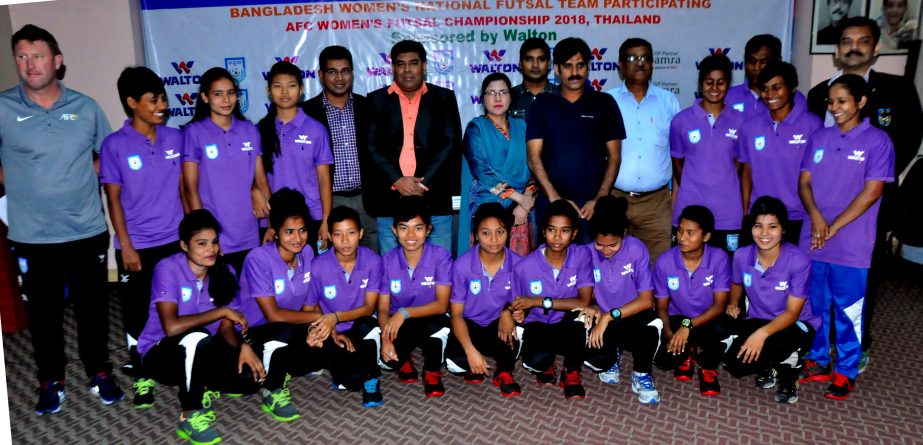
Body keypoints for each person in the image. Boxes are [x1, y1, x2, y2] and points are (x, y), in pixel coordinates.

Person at [0, 24, 124, 414]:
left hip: (86, 229)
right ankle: (50, 379)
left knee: (93, 311)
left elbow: (109, 156)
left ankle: (99, 372)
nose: (29, 64)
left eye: (37, 56)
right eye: (21, 56)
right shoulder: (3, 108)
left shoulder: (85, 107)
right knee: (44, 315)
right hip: (33, 235)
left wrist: (78, 175)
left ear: (57, 60)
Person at [806, 16, 922, 369]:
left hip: (866, 209)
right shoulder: (817, 94)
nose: (853, 47)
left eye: (862, 40)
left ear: (876, 47)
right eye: (846, 41)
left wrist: (868, 179)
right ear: (837, 49)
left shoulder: (898, 89)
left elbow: (909, 138)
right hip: (820, 210)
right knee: (818, 282)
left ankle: (856, 347)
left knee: (861, 282)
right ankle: (818, 345)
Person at [798, 74, 894, 400]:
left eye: (842, 101)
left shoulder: (878, 141)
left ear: (861, 101)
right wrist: (816, 218)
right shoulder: (819, 138)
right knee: (816, 303)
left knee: (848, 308)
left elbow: (872, 191)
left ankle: (846, 371)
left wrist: (834, 226)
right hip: (814, 237)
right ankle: (820, 359)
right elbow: (805, 182)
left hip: (852, 243)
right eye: (831, 102)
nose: (835, 108)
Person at [134, 209, 262, 444]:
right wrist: (221, 311)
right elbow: (171, 327)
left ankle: (202, 384)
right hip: (162, 355)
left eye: (214, 242)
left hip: (206, 349)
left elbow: (225, 327)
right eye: (201, 243)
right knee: (196, 337)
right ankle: (189, 414)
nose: (210, 249)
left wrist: (243, 346)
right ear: (184, 245)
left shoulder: (225, 272)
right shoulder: (167, 269)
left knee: (249, 380)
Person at [100, 66, 184, 379]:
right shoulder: (115, 145)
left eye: (163, 98)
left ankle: (177, 362)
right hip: (137, 245)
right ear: (132, 102)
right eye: (153, 100)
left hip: (175, 241)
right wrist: (126, 246)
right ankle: (142, 371)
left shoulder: (175, 137)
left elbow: (185, 190)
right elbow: (114, 199)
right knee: (138, 311)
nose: (162, 105)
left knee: (177, 305)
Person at [231, 188, 331, 421]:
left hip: (287, 324)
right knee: (249, 379)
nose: (297, 238)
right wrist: (321, 318)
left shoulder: (306, 252)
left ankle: (280, 364)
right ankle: (272, 389)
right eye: (288, 232)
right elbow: (273, 314)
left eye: (302, 230)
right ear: (274, 233)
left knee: (323, 348)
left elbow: (310, 302)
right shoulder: (258, 259)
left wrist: (322, 327)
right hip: (252, 331)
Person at [364, 40, 462, 253]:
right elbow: (370, 147)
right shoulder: (375, 101)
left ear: (424, 66)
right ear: (392, 68)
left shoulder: (444, 98)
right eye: (401, 64)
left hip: (434, 198)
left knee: (439, 268)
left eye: (413, 63)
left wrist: (421, 184)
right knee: (393, 272)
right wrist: (397, 180)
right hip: (390, 200)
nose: (407, 70)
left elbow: (450, 145)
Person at [527, 37, 624, 244]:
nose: (575, 72)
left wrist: (599, 199)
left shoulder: (605, 103)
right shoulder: (542, 105)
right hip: (551, 208)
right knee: (551, 272)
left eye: (580, 65)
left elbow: (615, 158)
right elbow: (533, 158)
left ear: (588, 67)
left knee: (592, 271)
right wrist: (556, 200)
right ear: (556, 69)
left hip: (592, 210)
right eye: (568, 66)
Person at [724, 196, 818, 404]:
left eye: (772, 227)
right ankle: (771, 362)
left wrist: (761, 334)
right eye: (758, 226)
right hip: (759, 320)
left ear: (783, 229)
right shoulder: (742, 255)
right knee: (735, 364)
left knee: (772, 343)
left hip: (796, 324)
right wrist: (733, 302)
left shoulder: (798, 261)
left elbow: (792, 313)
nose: (764, 234)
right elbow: (737, 283)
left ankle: (789, 369)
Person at [182, 67, 267, 275]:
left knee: (251, 299)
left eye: (230, 93)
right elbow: (189, 189)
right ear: (204, 97)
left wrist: (270, 223)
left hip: (249, 233)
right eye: (218, 94)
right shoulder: (194, 132)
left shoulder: (249, 130)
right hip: (216, 238)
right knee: (222, 300)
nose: (226, 99)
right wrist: (203, 238)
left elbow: (261, 179)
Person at [579, 196, 662, 405]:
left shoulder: (637, 249)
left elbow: (646, 300)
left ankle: (641, 373)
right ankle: (612, 355)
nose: (606, 251)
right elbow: (584, 297)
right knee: (595, 360)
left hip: (632, 314)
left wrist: (609, 316)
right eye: (600, 244)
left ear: (624, 233)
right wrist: (595, 309)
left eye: (613, 245)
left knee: (653, 325)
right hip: (604, 317)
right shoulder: (586, 253)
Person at [510, 199, 593, 399]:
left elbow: (583, 302)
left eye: (564, 231)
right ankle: (546, 364)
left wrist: (537, 301)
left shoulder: (582, 256)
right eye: (551, 230)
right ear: (543, 231)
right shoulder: (524, 267)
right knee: (536, 361)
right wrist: (518, 311)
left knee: (583, 318)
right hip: (538, 324)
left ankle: (571, 371)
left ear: (574, 234)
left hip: (567, 323)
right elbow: (516, 304)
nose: (557, 237)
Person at [305, 206, 385, 407]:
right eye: (338, 234)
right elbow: (310, 306)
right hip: (333, 332)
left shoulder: (373, 261)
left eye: (351, 233)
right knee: (348, 382)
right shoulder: (318, 265)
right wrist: (330, 326)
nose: (345, 240)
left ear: (360, 233)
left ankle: (371, 378)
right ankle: (350, 371)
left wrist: (336, 317)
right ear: (330, 237)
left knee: (370, 325)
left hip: (361, 326)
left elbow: (368, 308)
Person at [606, 37, 679, 261]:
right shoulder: (607, 101)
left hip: (657, 205)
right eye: (632, 58)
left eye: (645, 57)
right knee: (616, 271)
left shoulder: (669, 102)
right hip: (615, 201)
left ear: (653, 63)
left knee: (659, 271)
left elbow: (678, 155)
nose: (640, 63)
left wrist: (674, 198)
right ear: (620, 65)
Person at [303, 45, 378, 252]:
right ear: (320, 75)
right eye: (332, 72)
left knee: (371, 262)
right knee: (329, 263)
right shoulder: (307, 113)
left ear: (352, 74)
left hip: (367, 201)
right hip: (327, 201)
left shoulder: (369, 107)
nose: (339, 78)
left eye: (345, 71)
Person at [739, 61, 822, 245]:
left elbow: (819, 175)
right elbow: (747, 172)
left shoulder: (812, 125)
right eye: (765, 89)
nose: (770, 95)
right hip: (761, 217)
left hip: (798, 216)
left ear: (792, 88)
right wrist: (746, 213)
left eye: (777, 88)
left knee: (793, 271)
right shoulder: (750, 127)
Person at [445, 203, 523, 397]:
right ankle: (474, 360)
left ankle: (503, 371)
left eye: (500, 232)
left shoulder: (519, 265)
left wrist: (509, 312)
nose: (494, 240)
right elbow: (455, 315)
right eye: (486, 233)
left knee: (518, 328)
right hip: (470, 324)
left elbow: (524, 303)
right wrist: (470, 351)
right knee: (455, 362)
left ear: (508, 233)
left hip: (499, 325)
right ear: (475, 236)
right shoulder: (462, 266)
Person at [669, 54, 744, 255]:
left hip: (727, 214)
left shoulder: (741, 121)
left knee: (727, 275)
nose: (715, 88)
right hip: (690, 211)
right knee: (686, 273)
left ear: (728, 84)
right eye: (709, 82)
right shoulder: (681, 120)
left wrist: (721, 181)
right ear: (701, 83)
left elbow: (740, 165)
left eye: (721, 82)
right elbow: (678, 164)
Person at [653, 205, 731, 397]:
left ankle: (707, 366)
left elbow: (720, 305)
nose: (682, 238)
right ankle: (686, 353)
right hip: (677, 318)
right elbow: (661, 306)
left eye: (690, 233)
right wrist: (669, 333)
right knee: (663, 362)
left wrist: (688, 326)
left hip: (707, 319)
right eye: (680, 231)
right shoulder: (665, 261)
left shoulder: (719, 258)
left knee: (726, 329)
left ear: (706, 236)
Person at [378, 197, 452, 397]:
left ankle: (431, 370)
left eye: (418, 228)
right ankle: (404, 358)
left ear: (428, 230)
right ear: (394, 230)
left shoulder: (441, 257)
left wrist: (404, 312)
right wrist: (385, 338)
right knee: (389, 360)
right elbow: (383, 309)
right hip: (399, 323)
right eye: (403, 228)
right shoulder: (386, 261)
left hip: (431, 317)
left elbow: (442, 305)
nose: (410, 235)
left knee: (439, 328)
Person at [257, 61, 333, 250]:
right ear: (268, 90)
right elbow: (257, 180)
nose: (284, 92)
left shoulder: (316, 129)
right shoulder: (259, 130)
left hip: (311, 217)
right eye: (277, 86)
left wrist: (326, 221)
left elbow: (324, 179)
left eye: (291, 86)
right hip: (274, 221)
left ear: (300, 90)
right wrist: (268, 223)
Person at [464, 72, 535, 256]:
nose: (497, 98)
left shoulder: (523, 127)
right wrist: (519, 199)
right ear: (483, 98)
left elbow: (534, 165)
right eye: (491, 93)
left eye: (503, 92)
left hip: (523, 210)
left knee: (520, 266)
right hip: (490, 203)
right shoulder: (476, 128)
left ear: (511, 98)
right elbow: (482, 172)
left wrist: (525, 202)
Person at [725, 34, 782, 117]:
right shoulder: (728, 97)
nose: (756, 68)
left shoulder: (790, 99)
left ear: (778, 61)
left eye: (763, 62)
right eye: (752, 61)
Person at [509, 37, 559, 120]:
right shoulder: (509, 97)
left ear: (549, 64)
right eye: (529, 59)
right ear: (520, 64)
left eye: (541, 59)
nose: (535, 65)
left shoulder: (562, 97)